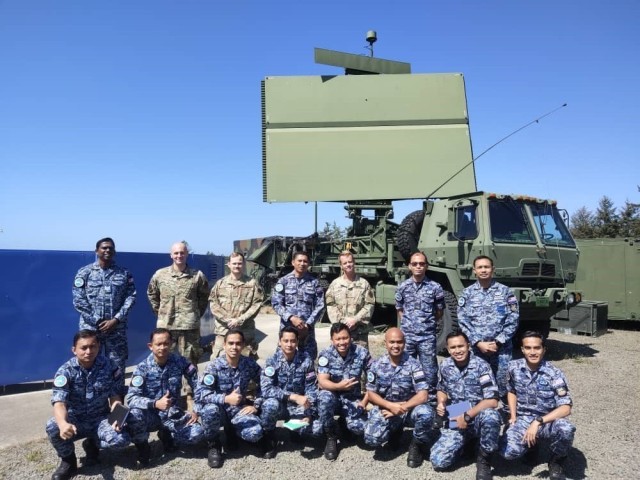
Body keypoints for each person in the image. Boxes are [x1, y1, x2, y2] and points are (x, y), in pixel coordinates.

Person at [45, 330, 132, 480]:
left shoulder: (109, 366)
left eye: (93, 347)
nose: (89, 351)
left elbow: (115, 396)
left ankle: (92, 444)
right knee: (53, 426)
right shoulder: (66, 371)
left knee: (121, 440)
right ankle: (68, 461)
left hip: (100, 418)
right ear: (74, 350)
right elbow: (59, 402)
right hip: (76, 419)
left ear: (98, 347)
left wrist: (116, 417)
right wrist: (63, 423)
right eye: (83, 348)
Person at [499, 331, 575, 480]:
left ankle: (556, 463)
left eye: (537, 348)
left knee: (566, 429)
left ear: (544, 349)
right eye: (528, 348)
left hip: (546, 420)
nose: (532, 352)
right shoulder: (513, 367)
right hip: (522, 419)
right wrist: (513, 416)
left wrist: (538, 421)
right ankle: (531, 448)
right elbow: (511, 391)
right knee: (507, 452)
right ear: (522, 350)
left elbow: (566, 407)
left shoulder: (554, 373)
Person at [430, 331, 501, 480]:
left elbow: (492, 400)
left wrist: (467, 416)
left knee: (491, 416)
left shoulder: (481, 366)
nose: (457, 350)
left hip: (477, 414)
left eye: (461, 346)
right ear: (448, 350)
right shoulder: (445, 365)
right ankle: (468, 441)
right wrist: (441, 402)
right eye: (453, 347)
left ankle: (484, 460)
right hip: (457, 413)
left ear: (468, 346)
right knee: (438, 461)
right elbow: (441, 389)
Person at [126, 328, 204, 459]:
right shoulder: (142, 368)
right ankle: (142, 446)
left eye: (166, 343)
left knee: (197, 433)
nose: (163, 347)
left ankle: (166, 435)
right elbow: (132, 398)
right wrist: (155, 403)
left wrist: (196, 409)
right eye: (158, 344)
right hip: (151, 415)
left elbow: (199, 385)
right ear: (150, 346)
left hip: (172, 413)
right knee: (134, 414)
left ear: (171, 344)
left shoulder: (180, 362)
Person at [147, 241, 209, 405]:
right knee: (165, 361)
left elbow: (204, 298)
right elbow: (152, 295)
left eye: (182, 253)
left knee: (191, 361)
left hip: (189, 327)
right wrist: (162, 313)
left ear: (187, 254)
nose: (179, 256)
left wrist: (194, 315)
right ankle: (168, 395)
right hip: (166, 327)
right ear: (171, 255)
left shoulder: (197, 275)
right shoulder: (160, 275)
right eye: (176, 253)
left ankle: (191, 395)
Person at [195, 329, 267, 469]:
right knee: (209, 410)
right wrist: (225, 398)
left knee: (255, 433)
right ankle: (214, 445)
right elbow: (201, 394)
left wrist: (256, 404)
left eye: (238, 343)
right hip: (219, 411)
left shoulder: (249, 364)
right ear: (224, 345)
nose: (234, 347)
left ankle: (233, 431)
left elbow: (265, 384)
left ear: (243, 345)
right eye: (231, 343)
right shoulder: (213, 366)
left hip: (238, 410)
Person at [363, 328, 434, 469]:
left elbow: (423, 394)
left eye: (399, 342)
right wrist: (390, 406)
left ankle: (416, 445)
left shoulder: (414, 364)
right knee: (371, 439)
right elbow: (371, 393)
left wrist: (401, 408)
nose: (396, 346)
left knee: (426, 414)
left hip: (409, 409)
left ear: (404, 343)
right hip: (387, 409)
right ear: (385, 343)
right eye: (392, 342)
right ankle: (395, 431)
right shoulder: (377, 365)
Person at [457, 255, 519, 399]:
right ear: (474, 271)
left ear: (493, 269)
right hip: (478, 349)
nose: (483, 270)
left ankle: (507, 416)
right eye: (480, 267)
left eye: (487, 267)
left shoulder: (506, 292)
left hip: (501, 349)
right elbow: (463, 321)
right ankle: (469, 416)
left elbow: (513, 318)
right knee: (475, 384)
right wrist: (478, 343)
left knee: (504, 384)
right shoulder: (467, 293)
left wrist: (498, 342)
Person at [72, 237, 136, 373]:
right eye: (104, 248)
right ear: (96, 251)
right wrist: (98, 321)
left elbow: (131, 297)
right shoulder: (85, 273)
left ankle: (116, 394)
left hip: (116, 329)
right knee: (89, 362)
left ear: (114, 251)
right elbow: (79, 301)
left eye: (110, 248)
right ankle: (92, 394)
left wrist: (115, 319)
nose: (107, 250)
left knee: (117, 365)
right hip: (91, 329)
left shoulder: (124, 273)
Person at [260, 326, 318, 458]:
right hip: (279, 405)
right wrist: (292, 396)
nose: (289, 344)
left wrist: (309, 412)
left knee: (314, 430)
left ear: (297, 342)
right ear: (279, 341)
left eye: (292, 341)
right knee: (270, 404)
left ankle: (293, 428)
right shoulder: (271, 361)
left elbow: (311, 388)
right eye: (285, 341)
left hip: (298, 407)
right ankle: (269, 437)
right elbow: (266, 389)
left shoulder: (306, 360)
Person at [316, 322, 371, 461]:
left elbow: (374, 379)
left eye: (345, 338)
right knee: (324, 398)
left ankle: (343, 423)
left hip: (352, 398)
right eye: (338, 339)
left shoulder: (361, 352)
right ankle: (331, 437)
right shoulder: (325, 354)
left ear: (350, 337)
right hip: (333, 396)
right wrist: (339, 386)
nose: (342, 342)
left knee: (360, 428)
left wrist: (364, 402)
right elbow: (322, 381)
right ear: (332, 340)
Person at [395, 251, 445, 392]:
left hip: (427, 337)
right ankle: (408, 397)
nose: (418, 266)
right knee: (405, 369)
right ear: (409, 266)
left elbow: (439, 311)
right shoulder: (403, 287)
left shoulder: (435, 287)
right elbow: (399, 309)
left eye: (422, 264)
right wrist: (407, 324)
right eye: (415, 264)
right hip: (408, 336)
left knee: (430, 373)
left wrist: (426, 324)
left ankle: (430, 401)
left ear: (426, 266)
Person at [209, 252, 264, 359]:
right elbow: (213, 304)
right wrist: (227, 320)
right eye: (234, 263)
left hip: (245, 331)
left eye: (239, 263)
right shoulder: (220, 284)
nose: (237, 266)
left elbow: (256, 305)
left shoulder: (252, 284)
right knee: (218, 361)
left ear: (243, 264)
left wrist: (239, 320)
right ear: (229, 264)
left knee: (247, 363)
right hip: (223, 330)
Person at [271, 251, 325, 359]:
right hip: (287, 331)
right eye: (299, 261)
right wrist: (291, 318)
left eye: (305, 261)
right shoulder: (283, 281)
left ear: (308, 264)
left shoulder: (314, 283)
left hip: (307, 332)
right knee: (284, 361)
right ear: (293, 262)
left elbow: (320, 305)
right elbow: (276, 303)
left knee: (308, 362)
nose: (302, 263)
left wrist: (308, 324)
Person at [325, 251, 375, 350]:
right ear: (341, 266)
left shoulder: (364, 284)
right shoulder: (335, 284)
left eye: (350, 262)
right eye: (345, 263)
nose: (348, 265)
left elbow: (370, 305)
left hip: (360, 334)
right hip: (341, 335)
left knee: (360, 362)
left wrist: (355, 320)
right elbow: (331, 305)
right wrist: (343, 323)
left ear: (354, 262)